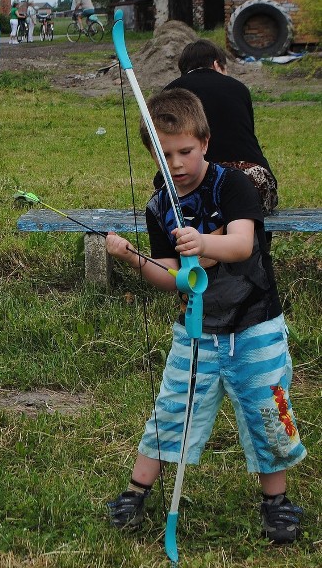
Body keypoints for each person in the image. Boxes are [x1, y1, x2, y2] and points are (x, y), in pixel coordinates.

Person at [104, 87, 305, 544]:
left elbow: (241, 244)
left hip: (256, 325)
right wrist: (134, 258)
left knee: (269, 411)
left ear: (206, 143)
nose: (175, 163)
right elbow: (173, 274)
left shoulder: (232, 184)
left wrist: (202, 243)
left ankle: (276, 501)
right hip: (197, 331)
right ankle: (136, 493)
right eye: (163, 152)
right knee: (172, 409)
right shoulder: (161, 204)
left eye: (185, 151)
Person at [165, 39, 277, 214]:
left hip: (192, 184)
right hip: (251, 182)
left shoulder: (171, 92)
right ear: (217, 64)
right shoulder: (239, 88)